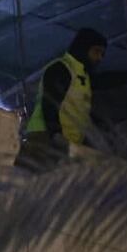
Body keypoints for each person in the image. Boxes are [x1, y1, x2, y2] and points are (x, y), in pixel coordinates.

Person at [16, 27, 108, 170]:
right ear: (83, 48)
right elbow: (50, 103)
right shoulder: (61, 68)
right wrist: (55, 134)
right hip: (45, 137)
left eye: (102, 54)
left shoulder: (82, 75)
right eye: (96, 51)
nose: (99, 58)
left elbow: (105, 80)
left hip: (66, 142)